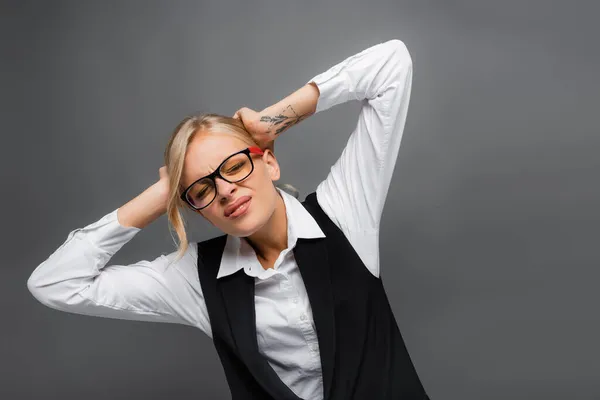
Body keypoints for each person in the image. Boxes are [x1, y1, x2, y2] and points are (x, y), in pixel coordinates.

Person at [27, 38, 430, 400]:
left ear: (268, 162)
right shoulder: (195, 280)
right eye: (201, 189)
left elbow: (391, 65)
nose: (224, 190)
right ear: (195, 207)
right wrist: (160, 196)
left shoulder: (343, 215)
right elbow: (55, 284)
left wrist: (270, 120)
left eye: (233, 166)